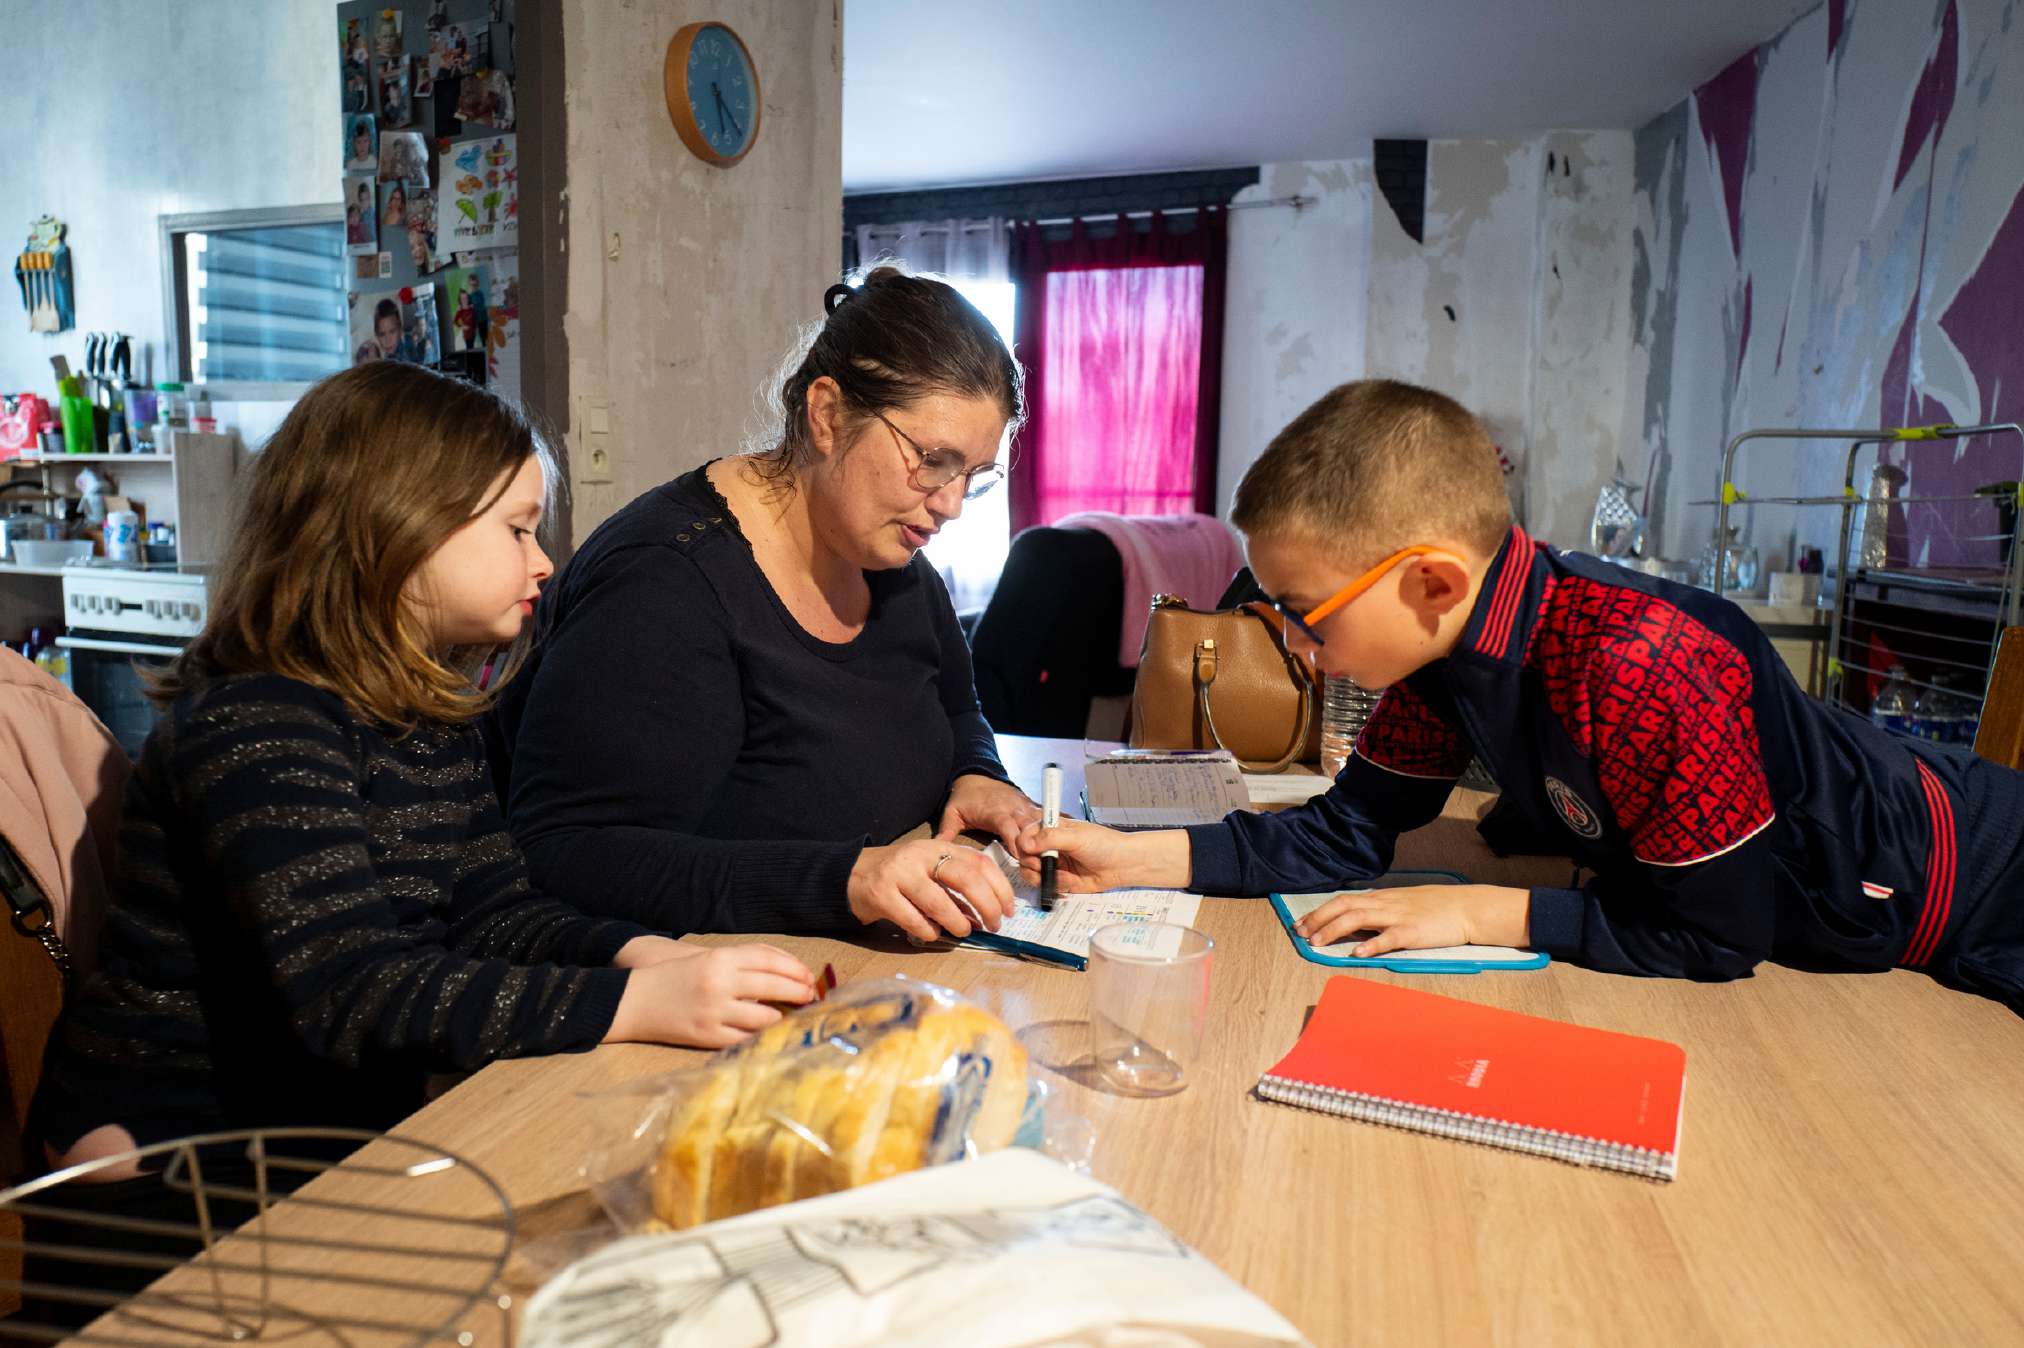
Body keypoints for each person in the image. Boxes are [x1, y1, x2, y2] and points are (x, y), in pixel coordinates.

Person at [23, 364, 813, 1323]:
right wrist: (636, 999)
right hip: (176, 1170)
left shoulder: (428, 718)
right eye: (517, 529)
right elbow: (351, 994)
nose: (544, 563)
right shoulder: (254, 724)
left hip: (317, 1129)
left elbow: (496, 912)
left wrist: (640, 952)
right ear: (397, 526)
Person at [1016, 379, 2024, 1013]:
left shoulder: (1637, 661)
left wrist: (1480, 915)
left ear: (1431, 582)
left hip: (1976, 881)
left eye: (1306, 613)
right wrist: (1126, 857)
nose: (1303, 650)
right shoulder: (1438, 660)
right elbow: (1339, 837)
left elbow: (1715, 938)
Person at [488, 268, 1036, 944]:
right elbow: (564, 855)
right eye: (932, 460)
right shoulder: (665, 582)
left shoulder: (895, 563)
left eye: (973, 477)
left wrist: (978, 771)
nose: (951, 504)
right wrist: (848, 880)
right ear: (829, 415)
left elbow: (956, 706)